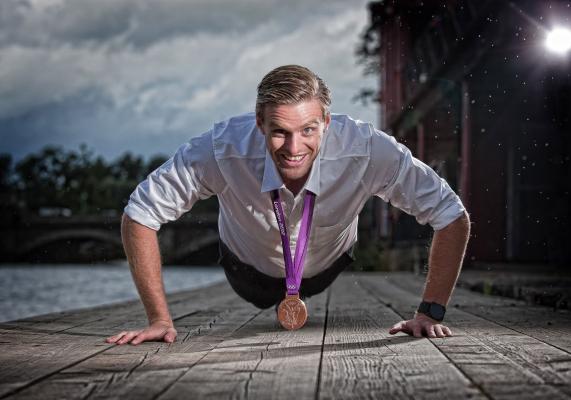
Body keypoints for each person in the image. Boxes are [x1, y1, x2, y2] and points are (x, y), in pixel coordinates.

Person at [105, 65, 470, 346]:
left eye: (308, 130)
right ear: (259, 122)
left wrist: (430, 311)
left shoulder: (368, 150)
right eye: (280, 131)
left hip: (328, 266)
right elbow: (139, 214)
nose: (294, 148)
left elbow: (452, 215)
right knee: (255, 287)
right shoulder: (220, 150)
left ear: (326, 122)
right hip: (247, 273)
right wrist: (159, 319)